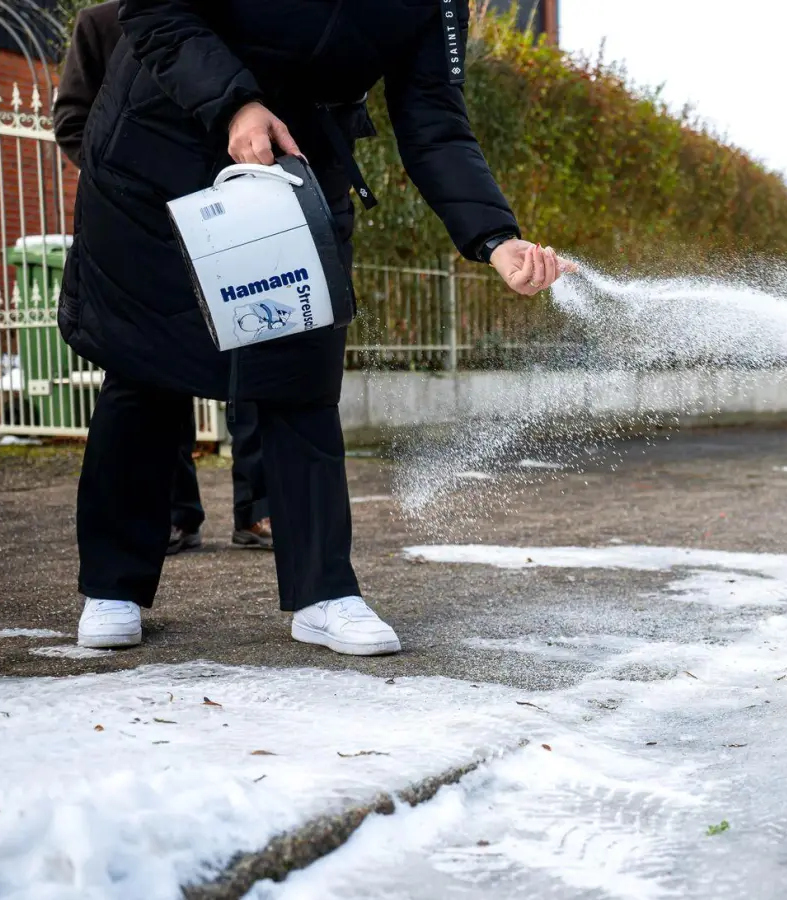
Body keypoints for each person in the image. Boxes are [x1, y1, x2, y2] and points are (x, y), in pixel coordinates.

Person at [59, 0, 571, 654]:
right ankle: (113, 583)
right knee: (145, 368)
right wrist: (235, 103)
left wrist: (495, 238)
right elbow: (155, 8)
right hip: (156, 140)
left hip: (294, 159)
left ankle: (323, 593)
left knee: (300, 374)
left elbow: (433, 118)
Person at [51, 0, 274, 556]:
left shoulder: (233, 17)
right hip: (145, 221)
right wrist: (123, 180)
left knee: (252, 350)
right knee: (151, 369)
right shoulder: (100, 23)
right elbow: (73, 120)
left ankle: (259, 509)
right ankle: (175, 513)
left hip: (232, 212)